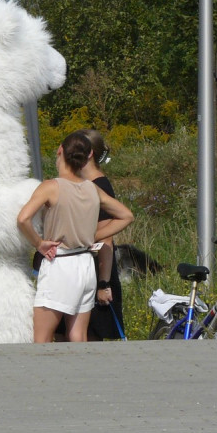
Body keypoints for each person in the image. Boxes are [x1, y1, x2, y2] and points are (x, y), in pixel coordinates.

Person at [17, 131, 134, 343]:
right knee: (78, 336)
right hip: (85, 265)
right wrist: (92, 236)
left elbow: (23, 219)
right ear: (88, 154)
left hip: (60, 263)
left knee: (42, 339)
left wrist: (39, 243)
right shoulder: (92, 188)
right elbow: (126, 215)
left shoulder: (51, 187)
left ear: (60, 150)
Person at [77, 128, 125, 341]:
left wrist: (103, 284)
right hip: (81, 269)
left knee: (92, 336)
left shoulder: (100, 186)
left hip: (97, 272)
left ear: (88, 154)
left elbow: (106, 238)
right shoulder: (81, 185)